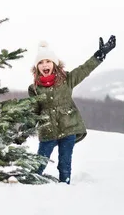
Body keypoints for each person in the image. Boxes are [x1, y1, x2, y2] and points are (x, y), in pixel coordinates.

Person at [28, 35, 116, 184]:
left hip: (68, 128)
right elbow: (33, 112)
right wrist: (24, 130)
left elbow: (84, 69)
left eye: (48, 61)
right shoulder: (34, 88)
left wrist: (99, 55)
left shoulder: (66, 80)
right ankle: (28, 185)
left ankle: (65, 187)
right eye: (41, 63)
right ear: (37, 67)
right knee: (39, 163)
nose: (44, 65)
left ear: (54, 64)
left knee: (64, 163)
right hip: (47, 131)